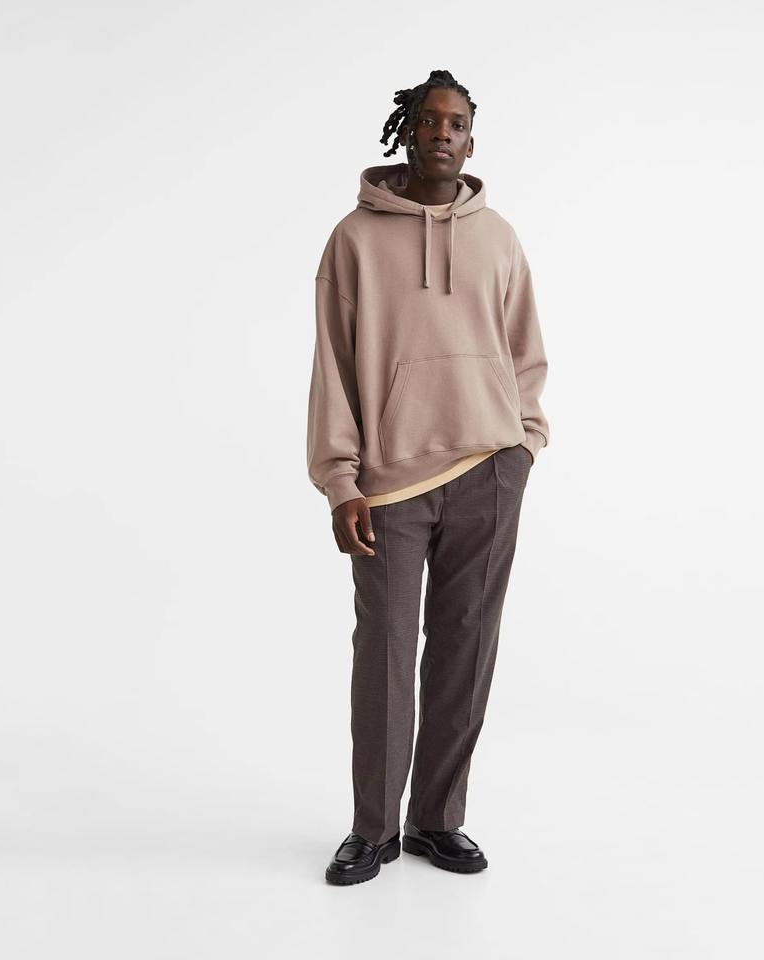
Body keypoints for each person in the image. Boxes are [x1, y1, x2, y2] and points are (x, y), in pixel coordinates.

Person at [307, 69, 550, 886]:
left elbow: (526, 351)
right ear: (407, 131)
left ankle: (438, 821)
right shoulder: (353, 239)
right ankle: (372, 828)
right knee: (383, 652)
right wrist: (342, 482)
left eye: (457, 124)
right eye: (430, 120)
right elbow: (333, 367)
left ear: (471, 143)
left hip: (489, 468)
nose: (443, 133)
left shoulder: (499, 237)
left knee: (465, 647)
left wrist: (523, 443)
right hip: (390, 483)